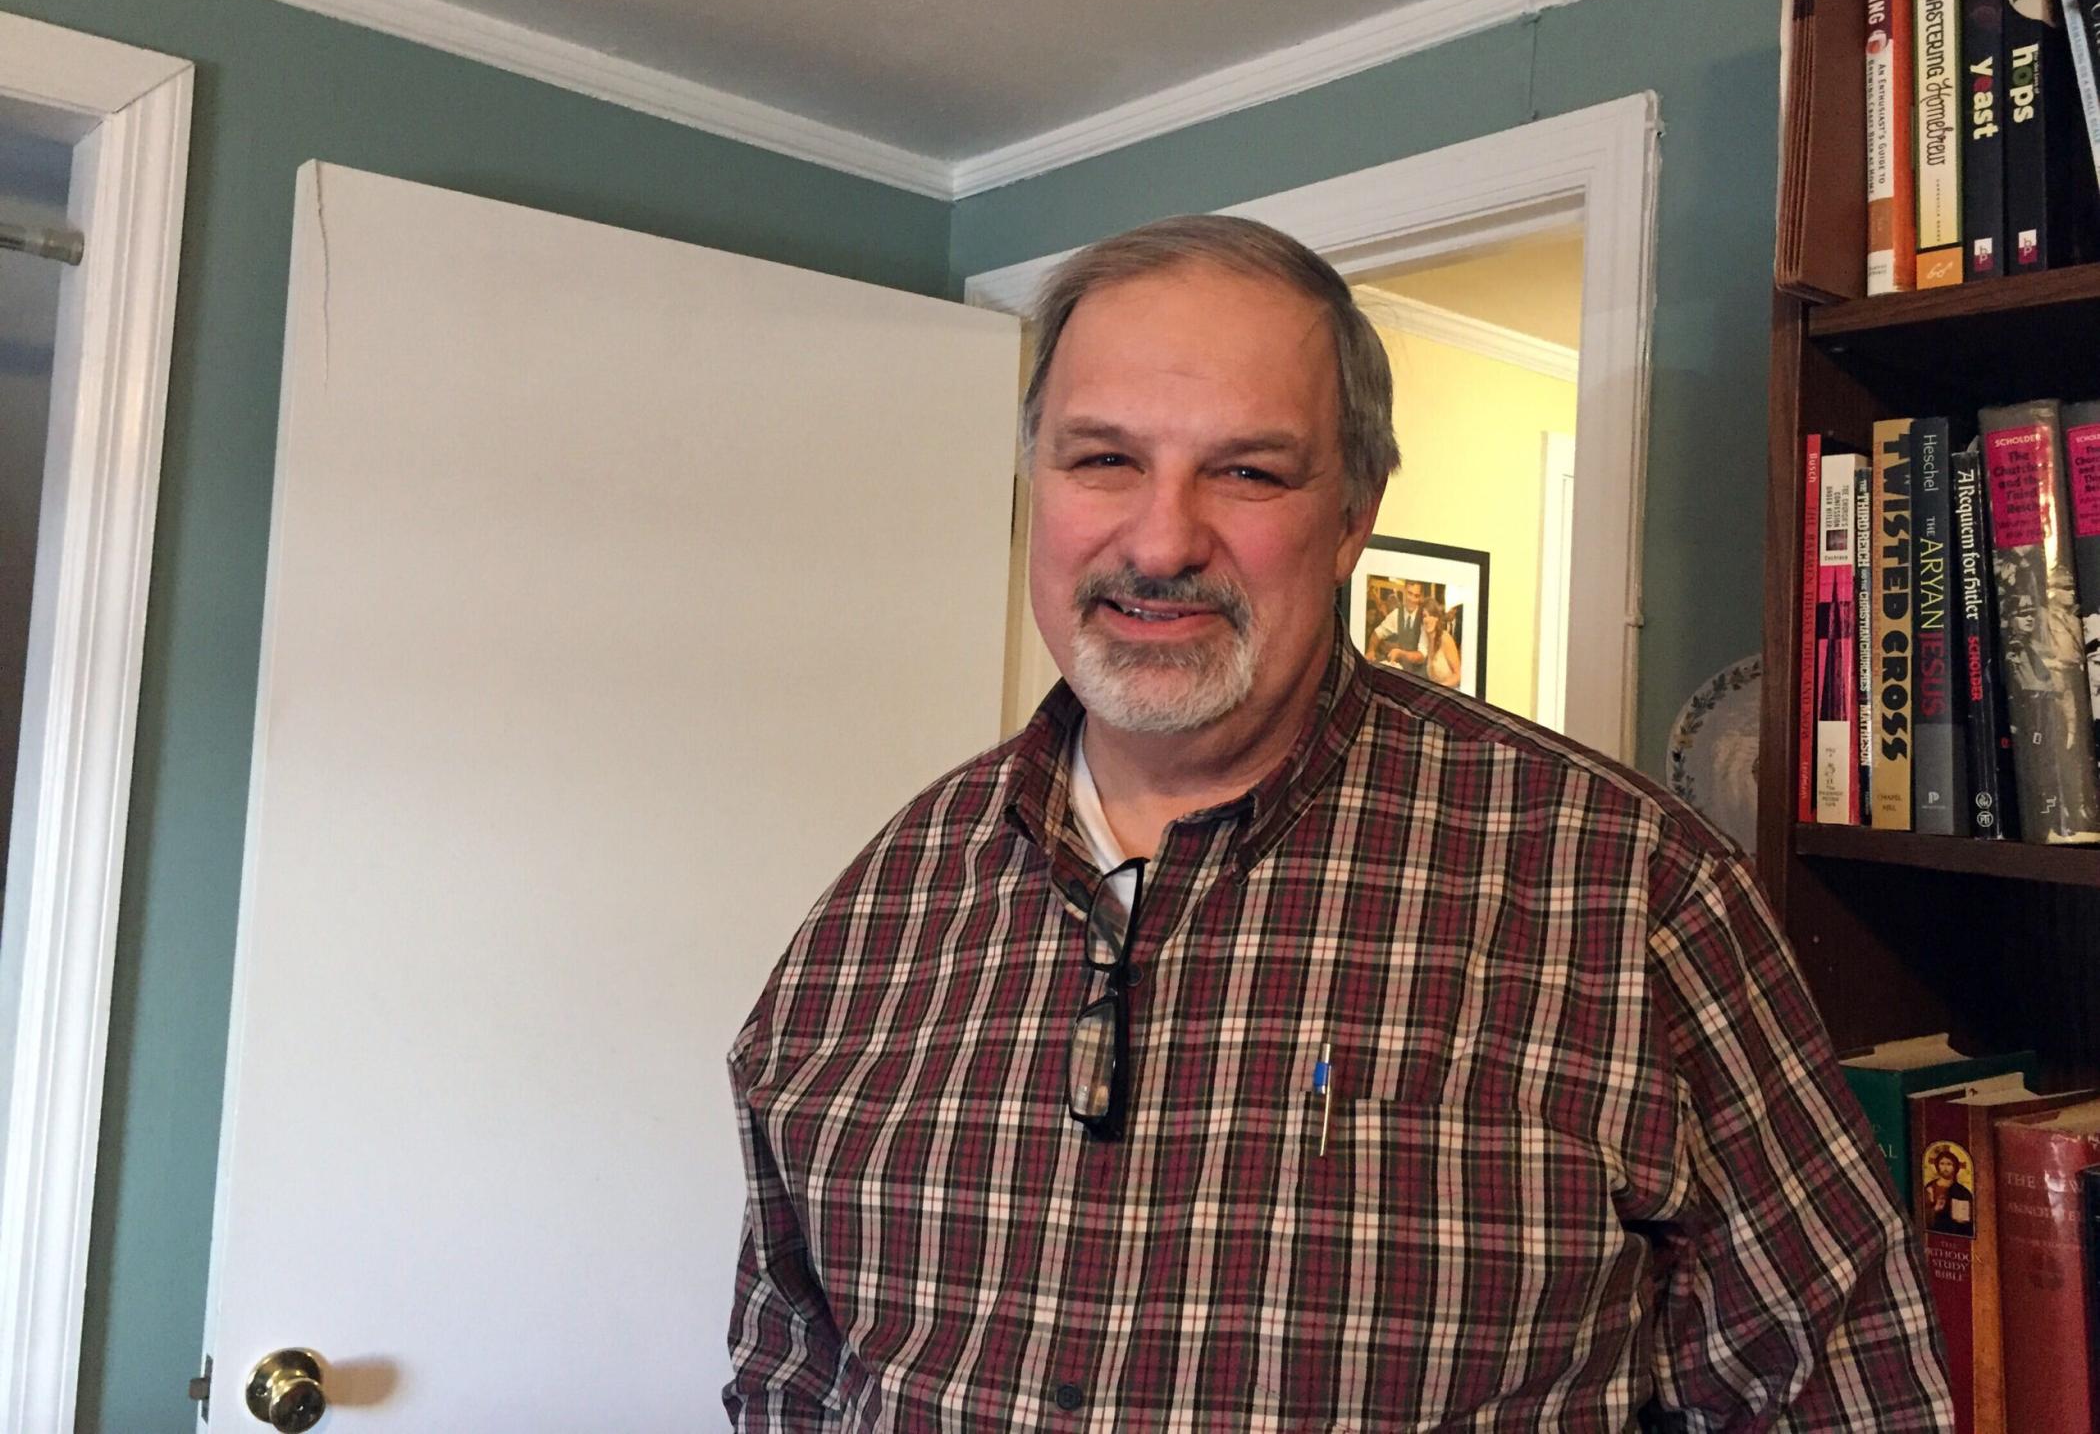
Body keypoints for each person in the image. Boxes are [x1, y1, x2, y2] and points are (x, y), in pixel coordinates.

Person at [724, 216, 1951, 1430]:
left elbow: (1840, 1391)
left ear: (1354, 514)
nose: (1160, 540)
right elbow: (790, 1368)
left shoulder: (1626, 884)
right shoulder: (880, 903)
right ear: (1032, 485)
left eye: (1249, 470)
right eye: (1103, 460)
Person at [1372, 578, 1428, 671]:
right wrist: (1371, 650)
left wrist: (1401, 654)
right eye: (1410, 593)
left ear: (1420, 597)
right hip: (1400, 670)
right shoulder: (1396, 614)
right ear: (1405, 591)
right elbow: (1377, 633)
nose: (1412, 599)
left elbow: (1421, 656)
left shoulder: (1424, 616)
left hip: (1418, 675)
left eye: (1416, 596)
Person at [1923, 1147, 1975, 1238]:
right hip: (1935, 1233)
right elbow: (1922, 1216)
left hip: (1956, 1234)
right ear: (1937, 1165)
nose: (1945, 1168)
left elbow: (1971, 1219)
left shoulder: (1963, 1192)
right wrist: (1935, 1209)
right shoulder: (1929, 1188)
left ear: (1955, 1167)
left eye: (1949, 1164)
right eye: (1942, 1164)